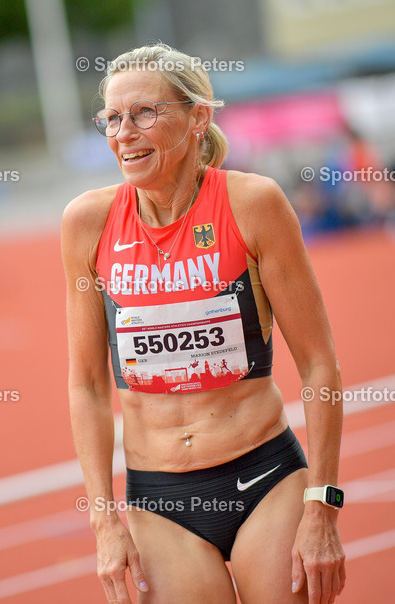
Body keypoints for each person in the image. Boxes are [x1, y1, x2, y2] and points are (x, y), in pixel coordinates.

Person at [62, 44, 346, 604]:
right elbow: (89, 385)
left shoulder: (253, 203)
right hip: (160, 500)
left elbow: (319, 364)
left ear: (197, 117)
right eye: (112, 119)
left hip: (264, 477)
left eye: (144, 113)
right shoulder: (88, 223)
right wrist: (104, 521)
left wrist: (322, 507)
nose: (124, 133)